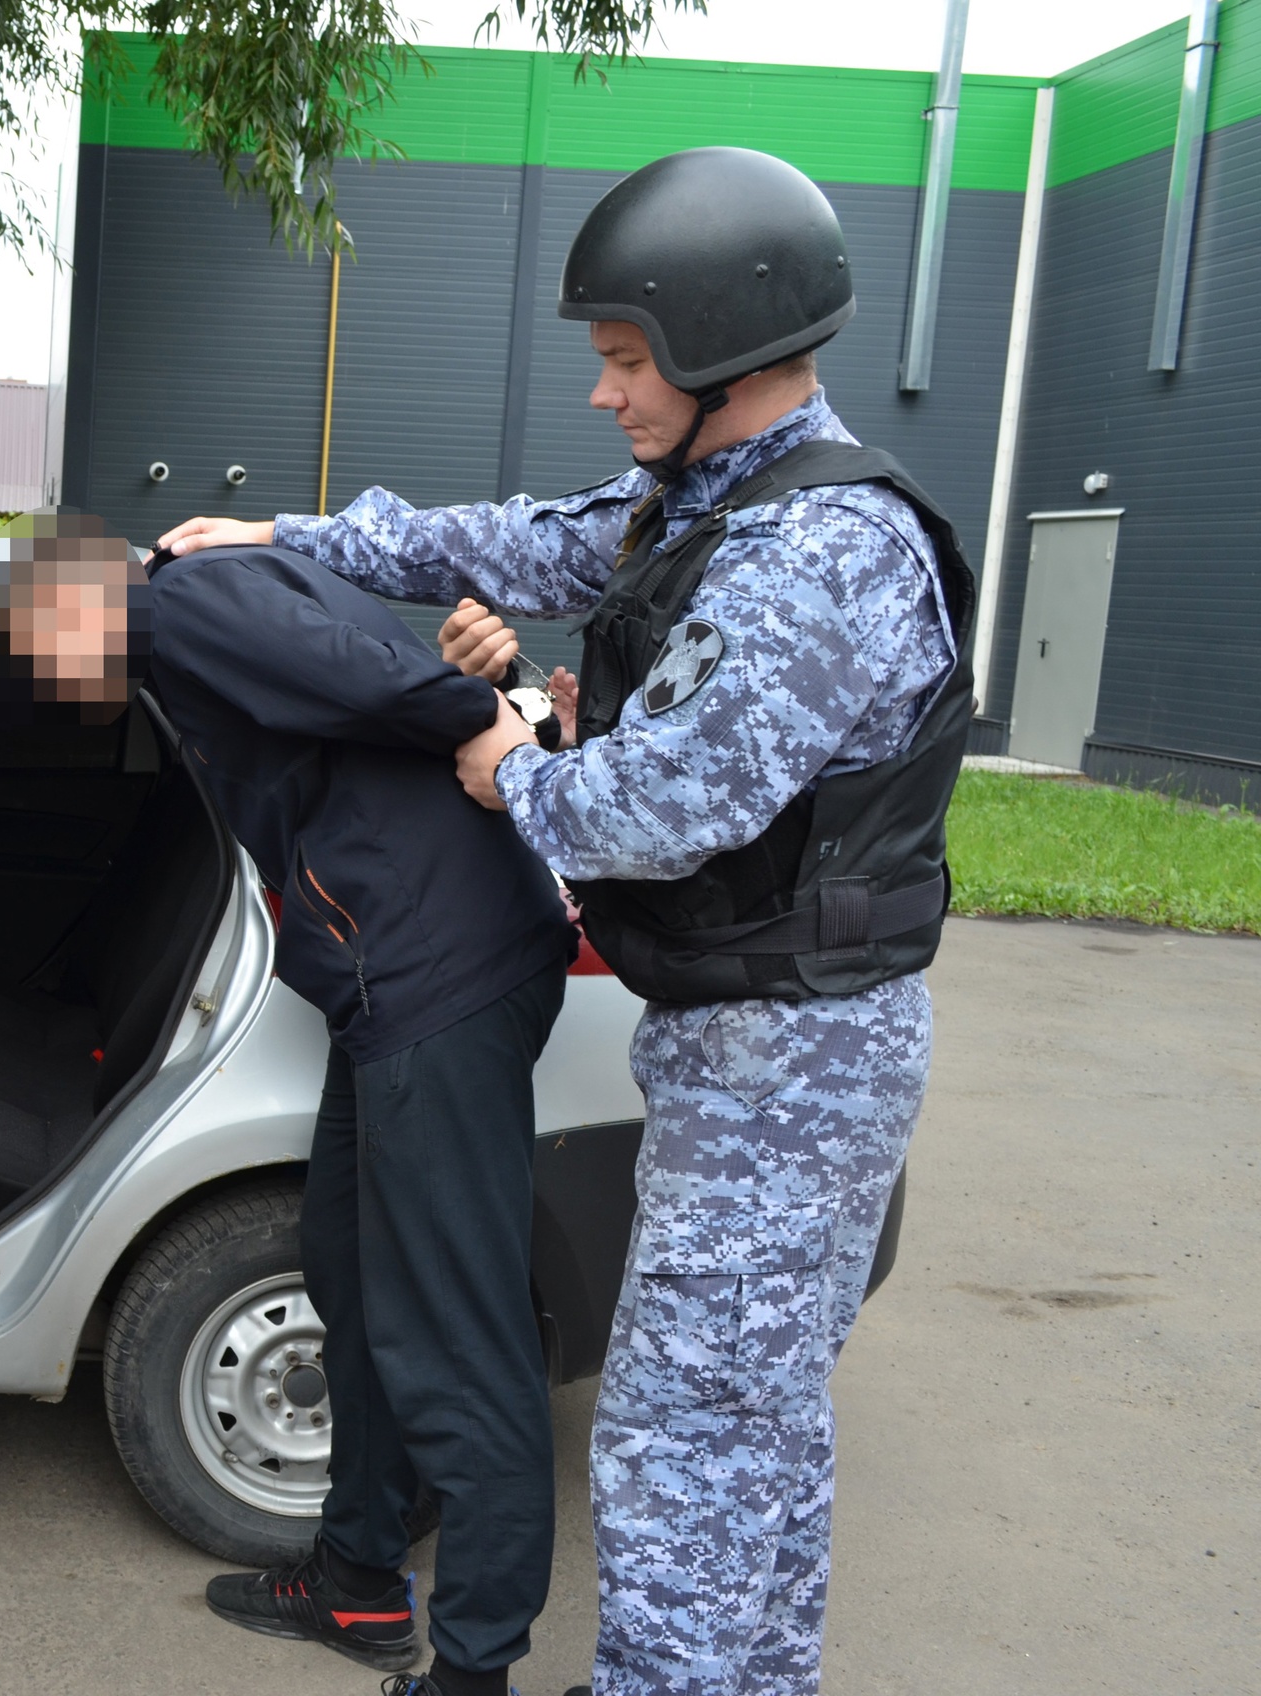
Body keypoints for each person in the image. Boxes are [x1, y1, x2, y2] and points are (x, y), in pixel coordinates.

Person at [161, 146, 974, 1696]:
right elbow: (512, 539)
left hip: (788, 1075)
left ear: (718, 356)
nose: (605, 394)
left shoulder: (819, 556)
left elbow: (660, 808)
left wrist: (505, 756)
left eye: (621, 362)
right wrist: (286, 539)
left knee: (685, 1451)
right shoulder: (705, 507)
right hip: (750, 1044)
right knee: (756, 1445)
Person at [144, 536, 577, 1696]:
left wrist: (490, 717)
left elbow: (360, 678)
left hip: (439, 975)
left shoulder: (179, 598)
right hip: (402, 979)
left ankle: (473, 1673)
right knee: (356, 1275)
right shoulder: (231, 586)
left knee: (456, 1341)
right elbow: (346, 680)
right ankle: (356, 1578)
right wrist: (477, 692)